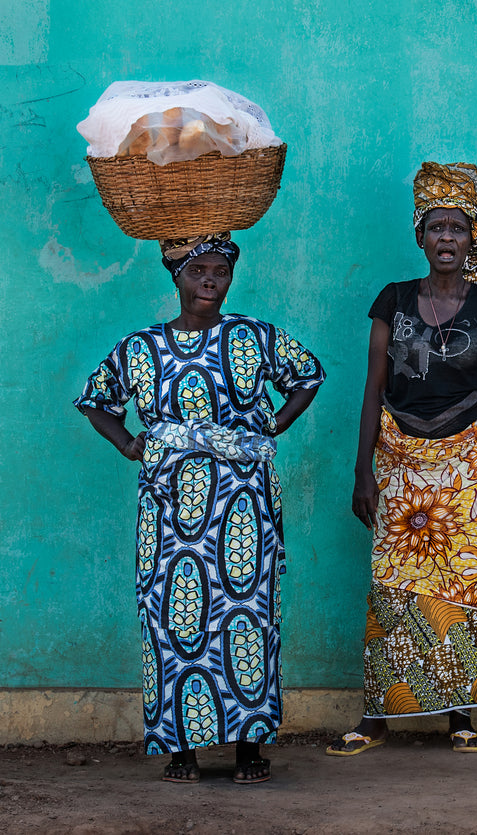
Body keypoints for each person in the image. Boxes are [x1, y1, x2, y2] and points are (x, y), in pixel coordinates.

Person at [74, 232, 325, 784]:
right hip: (168, 509)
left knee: (246, 617)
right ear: (177, 276)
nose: (210, 281)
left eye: (220, 272)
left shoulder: (254, 335)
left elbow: (308, 375)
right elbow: (96, 400)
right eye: (198, 271)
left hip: (242, 503)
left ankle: (248, 748)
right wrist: (129, 443)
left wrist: (275, 426)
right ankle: (180, 750)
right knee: (173, 618)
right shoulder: (140, 346)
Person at [326, 161, 477, 757]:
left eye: (457, 228)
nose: (446, 239)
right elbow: (373, 387)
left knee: (466, 579)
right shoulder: (393, 300)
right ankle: (376, 716)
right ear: (420, 235)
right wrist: (362, 469)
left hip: (470, 465)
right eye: (436, 227)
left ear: (472, 237)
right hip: (398, 462)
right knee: (391, 585)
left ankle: (461, 713)